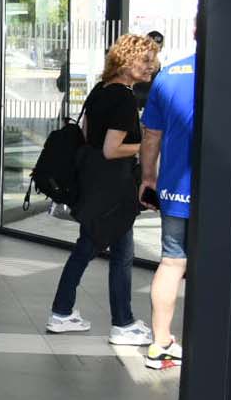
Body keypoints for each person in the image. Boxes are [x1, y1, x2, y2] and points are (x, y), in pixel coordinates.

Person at [46, 34, 160, 345]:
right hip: (114, 189)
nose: (153, 67)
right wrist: (144, 145)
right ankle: (120, 322)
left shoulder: (100, 90)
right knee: (114, 253)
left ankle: (64, 311)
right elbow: (112, 149)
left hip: (95, 186)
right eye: (146, 60)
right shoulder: (124, 97)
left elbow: (87, 137)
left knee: (96, 248)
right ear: (127, 62)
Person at [139, 48, 195, 368]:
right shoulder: (226, 69)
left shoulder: (168, 75)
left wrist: (148, 176)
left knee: (172, 262)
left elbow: (152, 135)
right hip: (222, 192)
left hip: (175, 187)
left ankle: (160, 342)